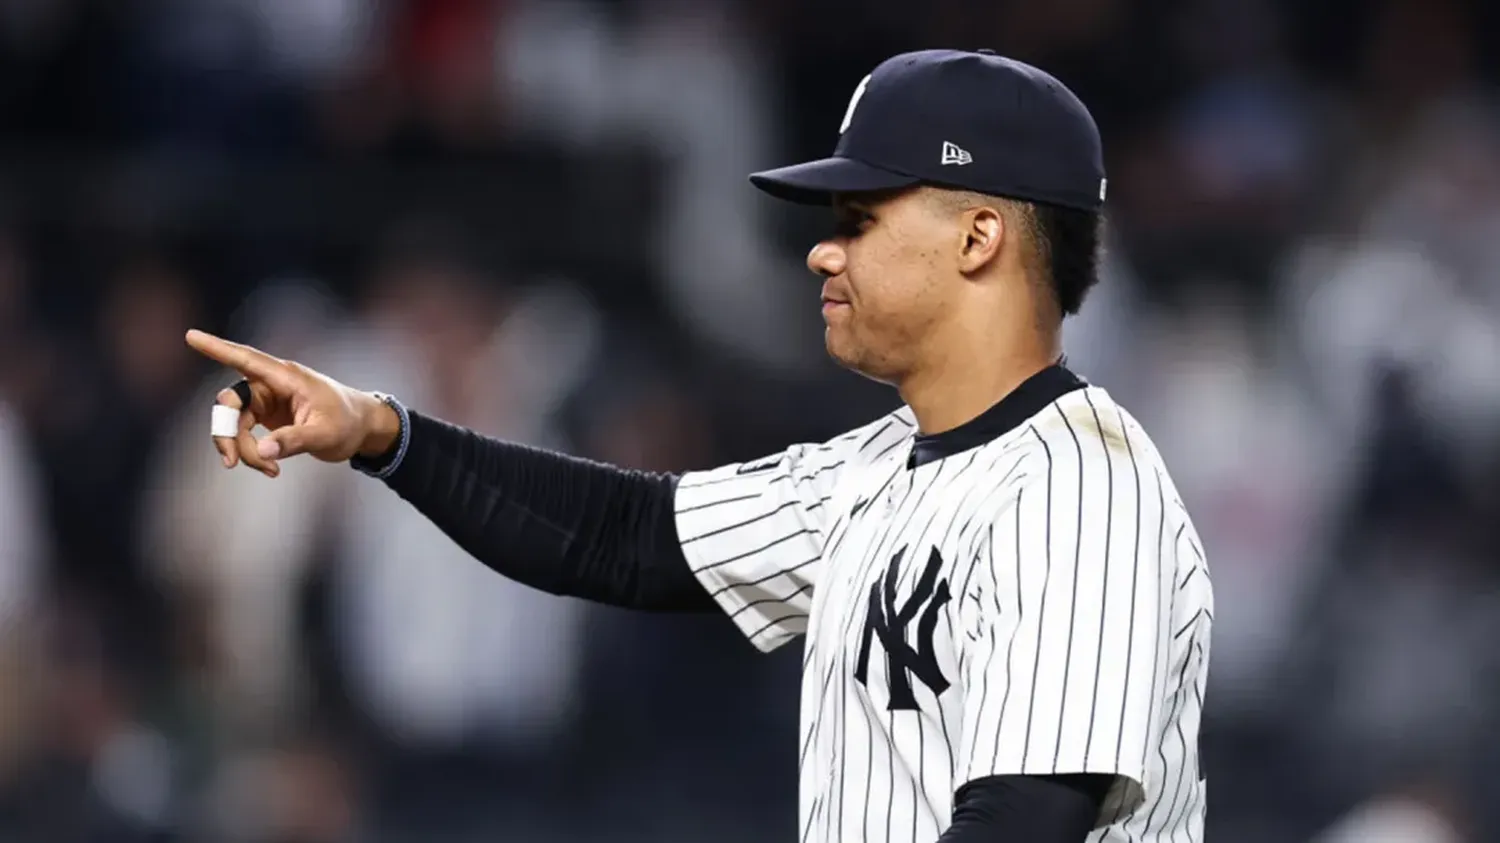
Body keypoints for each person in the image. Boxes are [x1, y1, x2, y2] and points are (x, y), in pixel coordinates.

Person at [187, 49, 1212, 843]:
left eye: (861, 219)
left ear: (978, 238)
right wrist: (382, 432)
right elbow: (625, 537)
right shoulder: (878, 470)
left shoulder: (1085, 492)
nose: (823, 248)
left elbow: (1025, 821)